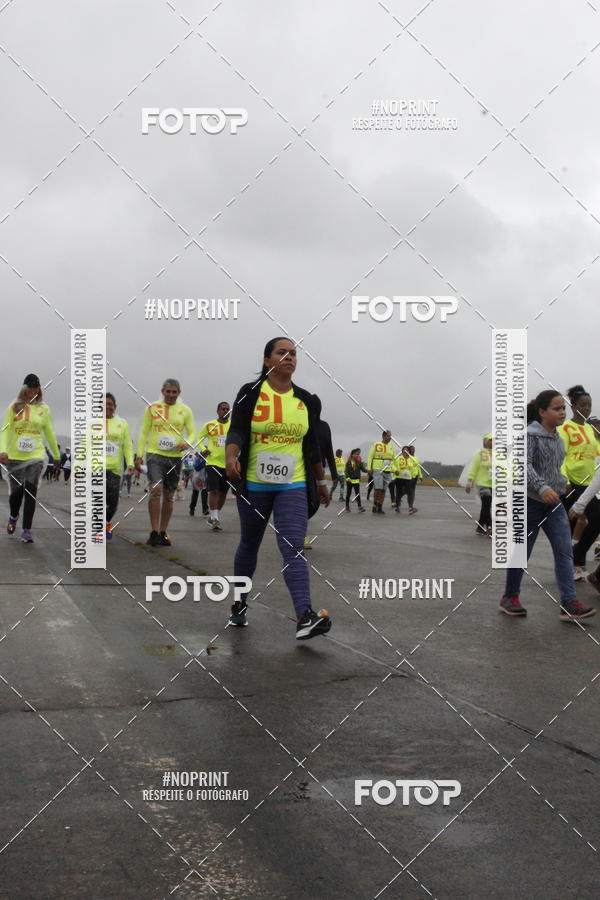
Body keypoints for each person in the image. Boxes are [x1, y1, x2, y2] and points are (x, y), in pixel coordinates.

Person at [225, 336, 331, 640]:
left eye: (293, 353)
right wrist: (231, 456)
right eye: (281, 352)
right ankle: (240, 604)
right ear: (267, 360)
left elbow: (311, 446)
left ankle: (305, 616)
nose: (289, 357)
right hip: (255, 485)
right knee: (249, 544)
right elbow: (238, 430)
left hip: (293, 484)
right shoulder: (251, 393)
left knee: (293, 546)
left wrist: (320, 481)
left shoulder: (305, 400)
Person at [500, 390, 595, 620]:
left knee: (564, 552)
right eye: (557, 408)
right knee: (523, 552)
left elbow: (556, 468)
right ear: (542, 412)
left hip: (553, 505)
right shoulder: (528, 436)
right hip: (529, 503)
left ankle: (569, 603)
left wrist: (562, 484)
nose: (562, 412)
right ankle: (510, 597)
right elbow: (525, 466)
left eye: (563, 408)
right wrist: (543, 488)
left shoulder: (558, 439)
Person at [135, 378, 196, 547]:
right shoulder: (152, 408)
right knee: (156, 489)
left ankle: (163, 531)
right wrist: (139, 455)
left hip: (175, 457)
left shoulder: (185, 410)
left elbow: (192, 432)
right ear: (162, 392)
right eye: (168, 391)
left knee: (169, 496)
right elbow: (143, 432)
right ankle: (153, 531)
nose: (170, 395)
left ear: (179, 393)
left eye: (174, 392)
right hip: (155, 454)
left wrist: (188, 443)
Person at [0, 374, 60, 542]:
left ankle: (27, 530)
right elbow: (4, 430)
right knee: (16, 494)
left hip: (36, 456)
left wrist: (56, 455)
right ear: (24, 389)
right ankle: (13, 516)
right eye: (29, 389)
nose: (32, 392)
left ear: (39, 390)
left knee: (30, 491)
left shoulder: (44, 410)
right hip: (15, 456)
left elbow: (49, 433)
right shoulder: (14, 407)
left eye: (36, 389)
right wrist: (2, 451)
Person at [558, 385, 600, 581]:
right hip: (571, 483)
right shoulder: (565, 429)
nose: (587, 409)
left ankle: (577, 559)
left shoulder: (592, 430)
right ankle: (574, 565)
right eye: (583, 405)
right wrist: (564, 479)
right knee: (571, 524)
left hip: (590, 483)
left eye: (589, 405)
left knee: (595, 520)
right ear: (573, 406)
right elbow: (561, 457)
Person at [102, 393, 134, 540]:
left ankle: (107, 522)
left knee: (113, 501)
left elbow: (127, 445)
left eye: (110, 404)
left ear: (115, 406)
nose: (107, 406)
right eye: (105, 403)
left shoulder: (122, 423)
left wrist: (131, 463)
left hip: (115, 469)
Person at [197, 402, 231, 532]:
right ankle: (215, 519)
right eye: (223, 409)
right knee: (214, 491)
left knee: (223, 493)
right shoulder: (210, 425)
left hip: (227, 464)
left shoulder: (233, 426)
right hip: (212, 462)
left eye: (228, 409)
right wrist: (203, 449)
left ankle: (213, 516)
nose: (226, 411)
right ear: (218, 411)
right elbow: (199, 438)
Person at [465, 434, 493, 535]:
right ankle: (489, 527)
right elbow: (473, 468)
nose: (493, 442)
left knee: (487, 505)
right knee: (487, 503)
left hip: (494, 484)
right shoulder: (479, 453)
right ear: (486, 441)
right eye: (491, 440)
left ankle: (480, 527)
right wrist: (469, 482)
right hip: (482, 483)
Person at [367, 430, 395, 514]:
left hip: (388, 469)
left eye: (391, 436)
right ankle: (374, 505)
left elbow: (393, 459)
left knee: (383, 489)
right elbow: (370, 457)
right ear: (383, 436)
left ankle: (380, 506)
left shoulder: (391, 446)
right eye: (389, 436)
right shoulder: (376, 445)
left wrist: (396, 469)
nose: (390, 438)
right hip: (378, 468)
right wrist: (369, 468)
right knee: (378, 488)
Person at [394, 446, 418, 514]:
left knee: (410, 492)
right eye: (404, 450)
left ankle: (410, 507)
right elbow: (393, 465)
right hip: (399, 477)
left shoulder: (411, 459)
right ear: (402, 451)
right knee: (399, 492)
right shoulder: (398, 458)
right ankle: (397, 507)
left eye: (407, 450)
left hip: (408, 478)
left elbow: (415, 465)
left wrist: (414, 475)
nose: (406, 452)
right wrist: (395, 470)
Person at [189, 452, 209, 517]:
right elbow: (197, 467)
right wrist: (205, 461)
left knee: (204, 493)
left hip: (203, 479)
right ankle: (192, 508)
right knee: (195, 494)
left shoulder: (208, 459)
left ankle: (205, 509)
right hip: (196, 478)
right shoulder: (197, 459)